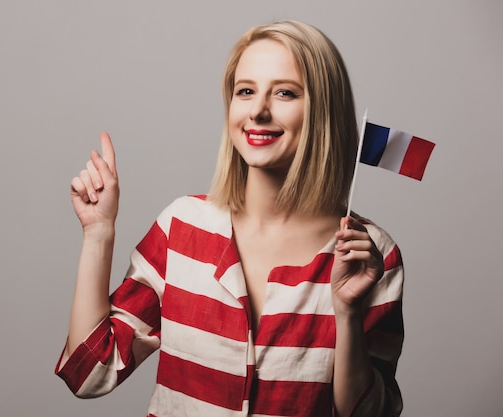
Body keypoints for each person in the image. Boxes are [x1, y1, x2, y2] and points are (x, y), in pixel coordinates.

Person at [55, 20, 404, 417]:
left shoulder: (370, 255)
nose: (258, 110)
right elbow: (90, 374)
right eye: (246, 91)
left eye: (285, 92)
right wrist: (98, 232)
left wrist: (348, 313)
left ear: (323, 110)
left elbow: (369, 414)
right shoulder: (182, 228)